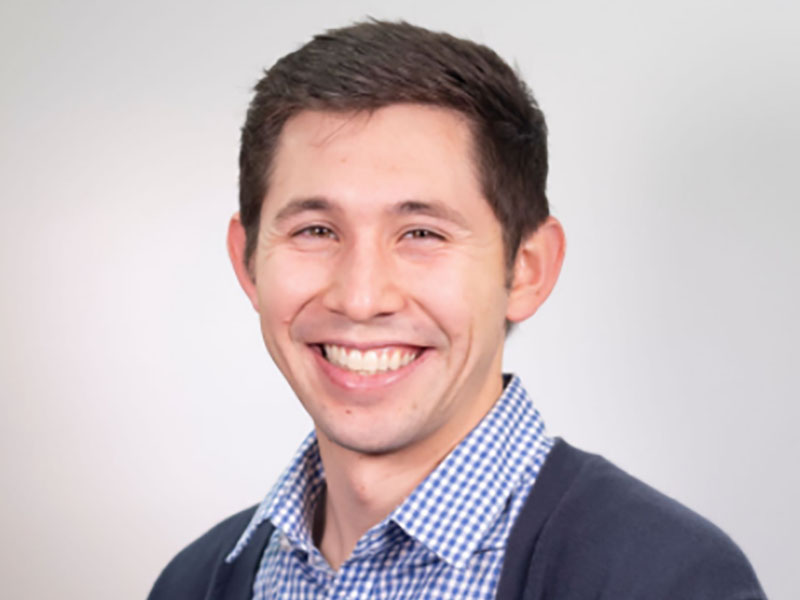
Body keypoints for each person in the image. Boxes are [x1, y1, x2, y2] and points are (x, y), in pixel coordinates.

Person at [148, 20, 765, 600]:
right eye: (315, 230)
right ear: (248, 260)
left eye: (422, 234)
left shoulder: (665, 581)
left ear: (527, 268)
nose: (361, 298)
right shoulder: (193, 582)